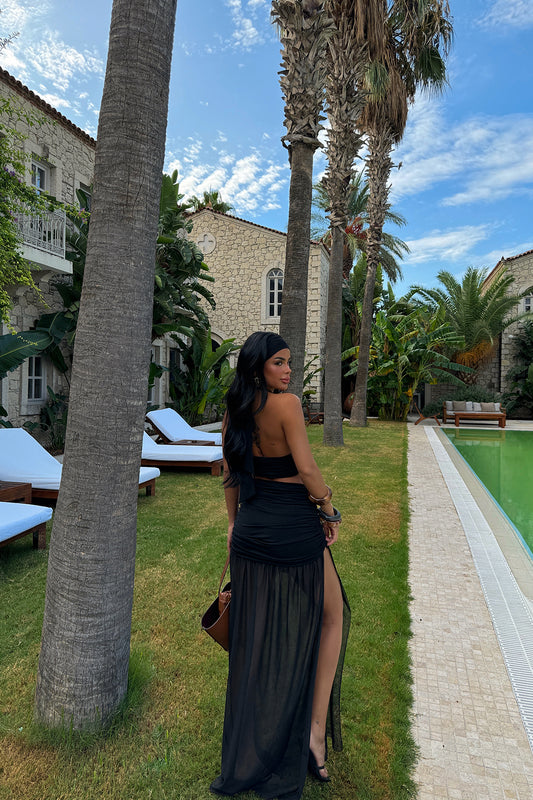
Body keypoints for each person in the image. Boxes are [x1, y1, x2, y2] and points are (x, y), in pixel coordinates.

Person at [211, 331, 350, 800]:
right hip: (293, 527)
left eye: (289, 362)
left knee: (256, 635)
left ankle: (256, 741)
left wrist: (233, 524)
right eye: (279, 363)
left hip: (252, 529)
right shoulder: (287, 406)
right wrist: (328, 508)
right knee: (333, 615)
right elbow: (307, 470)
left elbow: (231, 472)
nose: (289, 371)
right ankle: (313, 735)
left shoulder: (235, 411)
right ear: (258, 368)